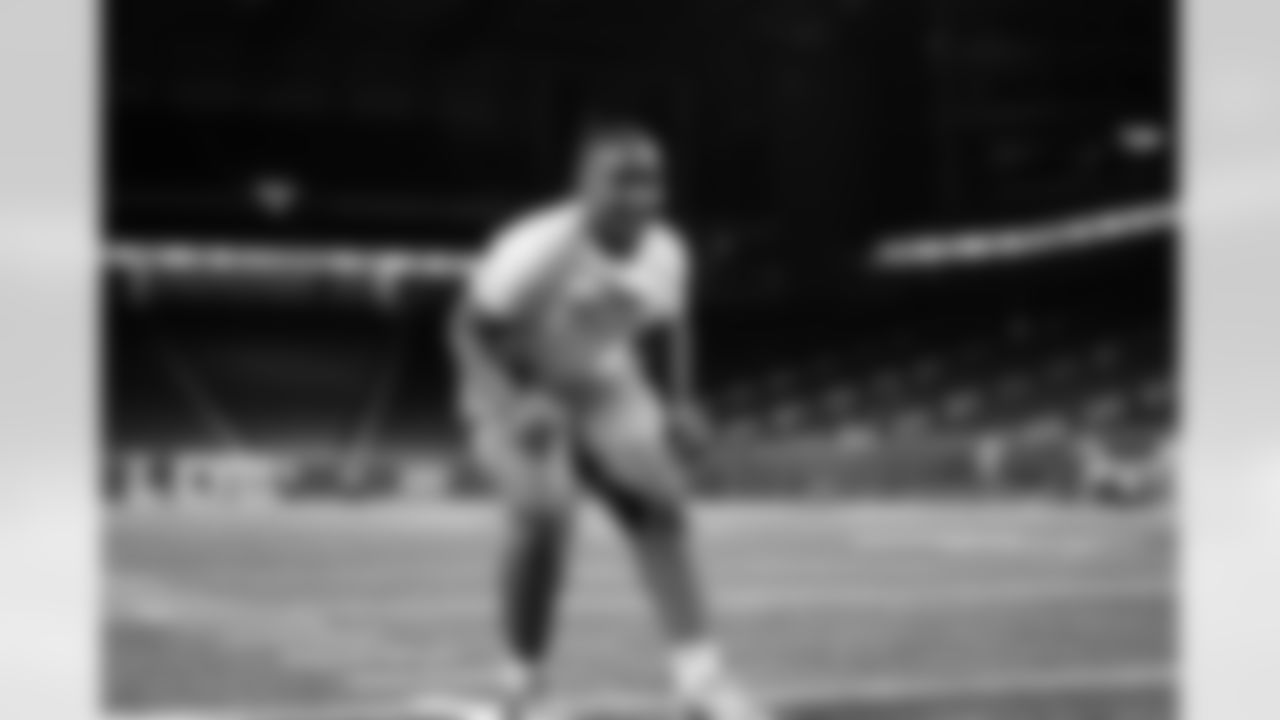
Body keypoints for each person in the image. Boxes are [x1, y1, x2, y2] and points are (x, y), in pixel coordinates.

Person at [446, 118, 765, 720]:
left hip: (600, 377)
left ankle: (700, 681)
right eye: (621, 180)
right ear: (583, 185)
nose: (640, 195)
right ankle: (520, 691)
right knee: (544, 511)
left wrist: (680, 400)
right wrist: (516, 403)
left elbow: (673, 325)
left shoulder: (669, 249)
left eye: (651, 180)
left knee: (662, 502)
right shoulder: (537, 247)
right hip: (509, 375)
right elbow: (465, 328)